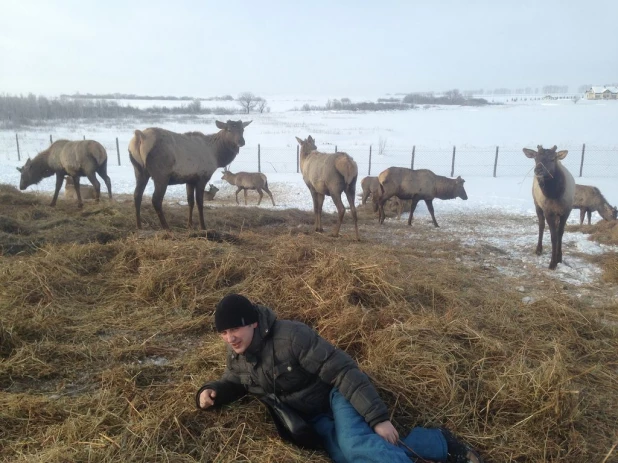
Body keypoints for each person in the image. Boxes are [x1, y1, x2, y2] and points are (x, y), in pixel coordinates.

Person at [196, 294, 483, 463]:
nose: (229, 338)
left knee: (356, 445)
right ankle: (440, 443)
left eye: (234, 328)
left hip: (336, 394)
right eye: (223, 332)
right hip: (314, 415)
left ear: (253, 322)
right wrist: (212, 391)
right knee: (345, 456)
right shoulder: (238, 354)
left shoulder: (291, 337)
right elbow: (234, 380)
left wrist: (378, 419)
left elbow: (342, 370)